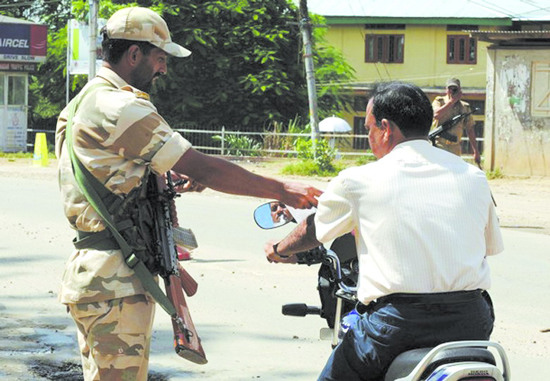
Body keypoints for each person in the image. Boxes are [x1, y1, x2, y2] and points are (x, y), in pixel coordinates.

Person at [55, 7, 321, 381]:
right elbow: (205, 167)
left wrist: (163, 176)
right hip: (114, 279)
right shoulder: (120, 106)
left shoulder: (84, 102)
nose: (163, 69)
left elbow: (113, 176)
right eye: (160, 58)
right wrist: (283, 188)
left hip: (102, 276)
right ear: (134, 55)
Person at [264, 81, 503, 380]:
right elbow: (488, 247)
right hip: (472, 322)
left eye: (368, 129)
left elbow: (315, 228)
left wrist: (279, 249)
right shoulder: (474, 176)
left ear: (386, 128)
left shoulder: (359, 179)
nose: (368, 137)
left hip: (397, 324)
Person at [431, 78, 481, 165]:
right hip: (439, 145)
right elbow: (436, 115)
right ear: (446, 90)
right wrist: (451, 102)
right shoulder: (439, 101)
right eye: (450, 88)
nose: (452, 91)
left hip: (455, 147)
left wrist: (475, 151)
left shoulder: (465, 107)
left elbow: (470, 129)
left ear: (460, 90)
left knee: (454, 173)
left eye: (455, 89)